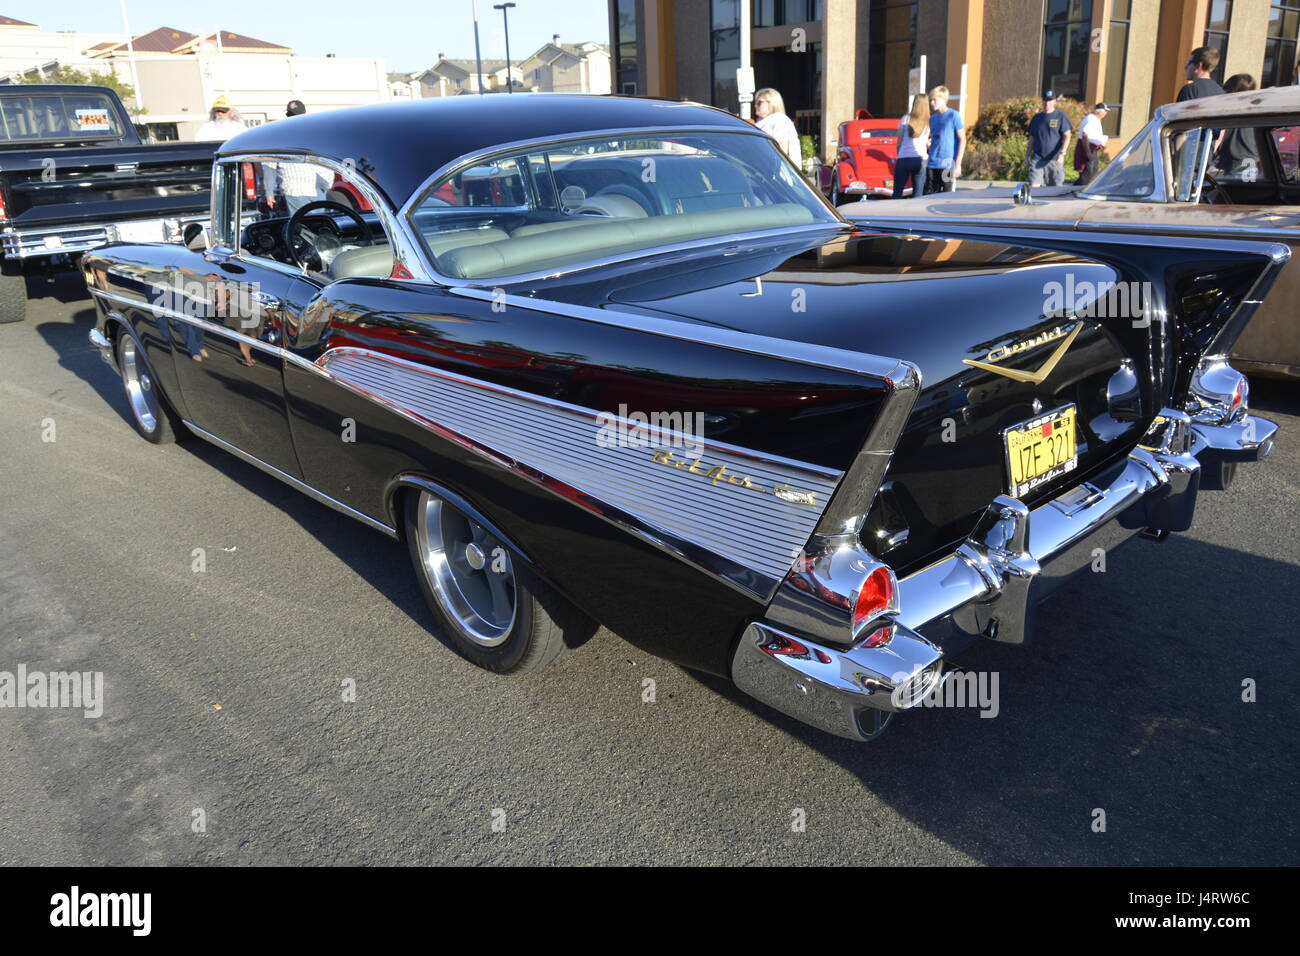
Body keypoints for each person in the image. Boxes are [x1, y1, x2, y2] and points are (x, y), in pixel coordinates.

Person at [1215, 74, 1260, 179]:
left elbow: (1219, 138)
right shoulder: (1256, 112)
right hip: (1251, 164)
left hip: (1233, 165)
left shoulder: (1228, 113)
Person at [1027, 90, 1072, 187]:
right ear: (1042, 101)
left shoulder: (1061, 116)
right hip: (1037, 159)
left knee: (1055, 189)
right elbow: (1032, 139)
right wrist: (1026, 157)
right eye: (1045, 100)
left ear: (1055, 101)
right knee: (1034, 186)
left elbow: (1067, 135)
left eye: (1050, 100)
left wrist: (1062, 154)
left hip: (1054, 159)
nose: (1047, 103)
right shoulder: (1036, 118)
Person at [925, 85, 965, 193]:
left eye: (934, 100)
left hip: (947, 165)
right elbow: (934, 139)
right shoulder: (932, 119)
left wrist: (958, 164)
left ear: (943, 99)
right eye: (930, 100)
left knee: (947, 197)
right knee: (929, 197)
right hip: (932, 164)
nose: (931, 103)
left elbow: (962, 139)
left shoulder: (953, 115)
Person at [893, 94, 930, 199]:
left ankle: (894, 213)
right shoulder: (928, 121)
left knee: (897, 192)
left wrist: (899, 153)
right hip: (921, 159)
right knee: (918, 194)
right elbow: (926, 141)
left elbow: (899, 141)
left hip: (904, 157)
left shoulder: (906, 119)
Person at [754, 88, 801, 165]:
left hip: (775, 174)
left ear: (771, 103)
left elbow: (781, 153)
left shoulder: (779, 120)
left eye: (759, 102)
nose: (756, 105)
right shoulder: (767, 121)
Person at [1074, 102, 1110, 186]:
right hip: (1087, 149)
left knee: (1093, 173)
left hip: (1093, 149)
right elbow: (1085, 135)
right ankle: (1080, 190)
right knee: (1087, 174)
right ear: (1099, 111)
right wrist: (1088, 153)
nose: (1106, 113)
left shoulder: (1096, 120)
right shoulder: (1091, 119)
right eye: (1105, 111)